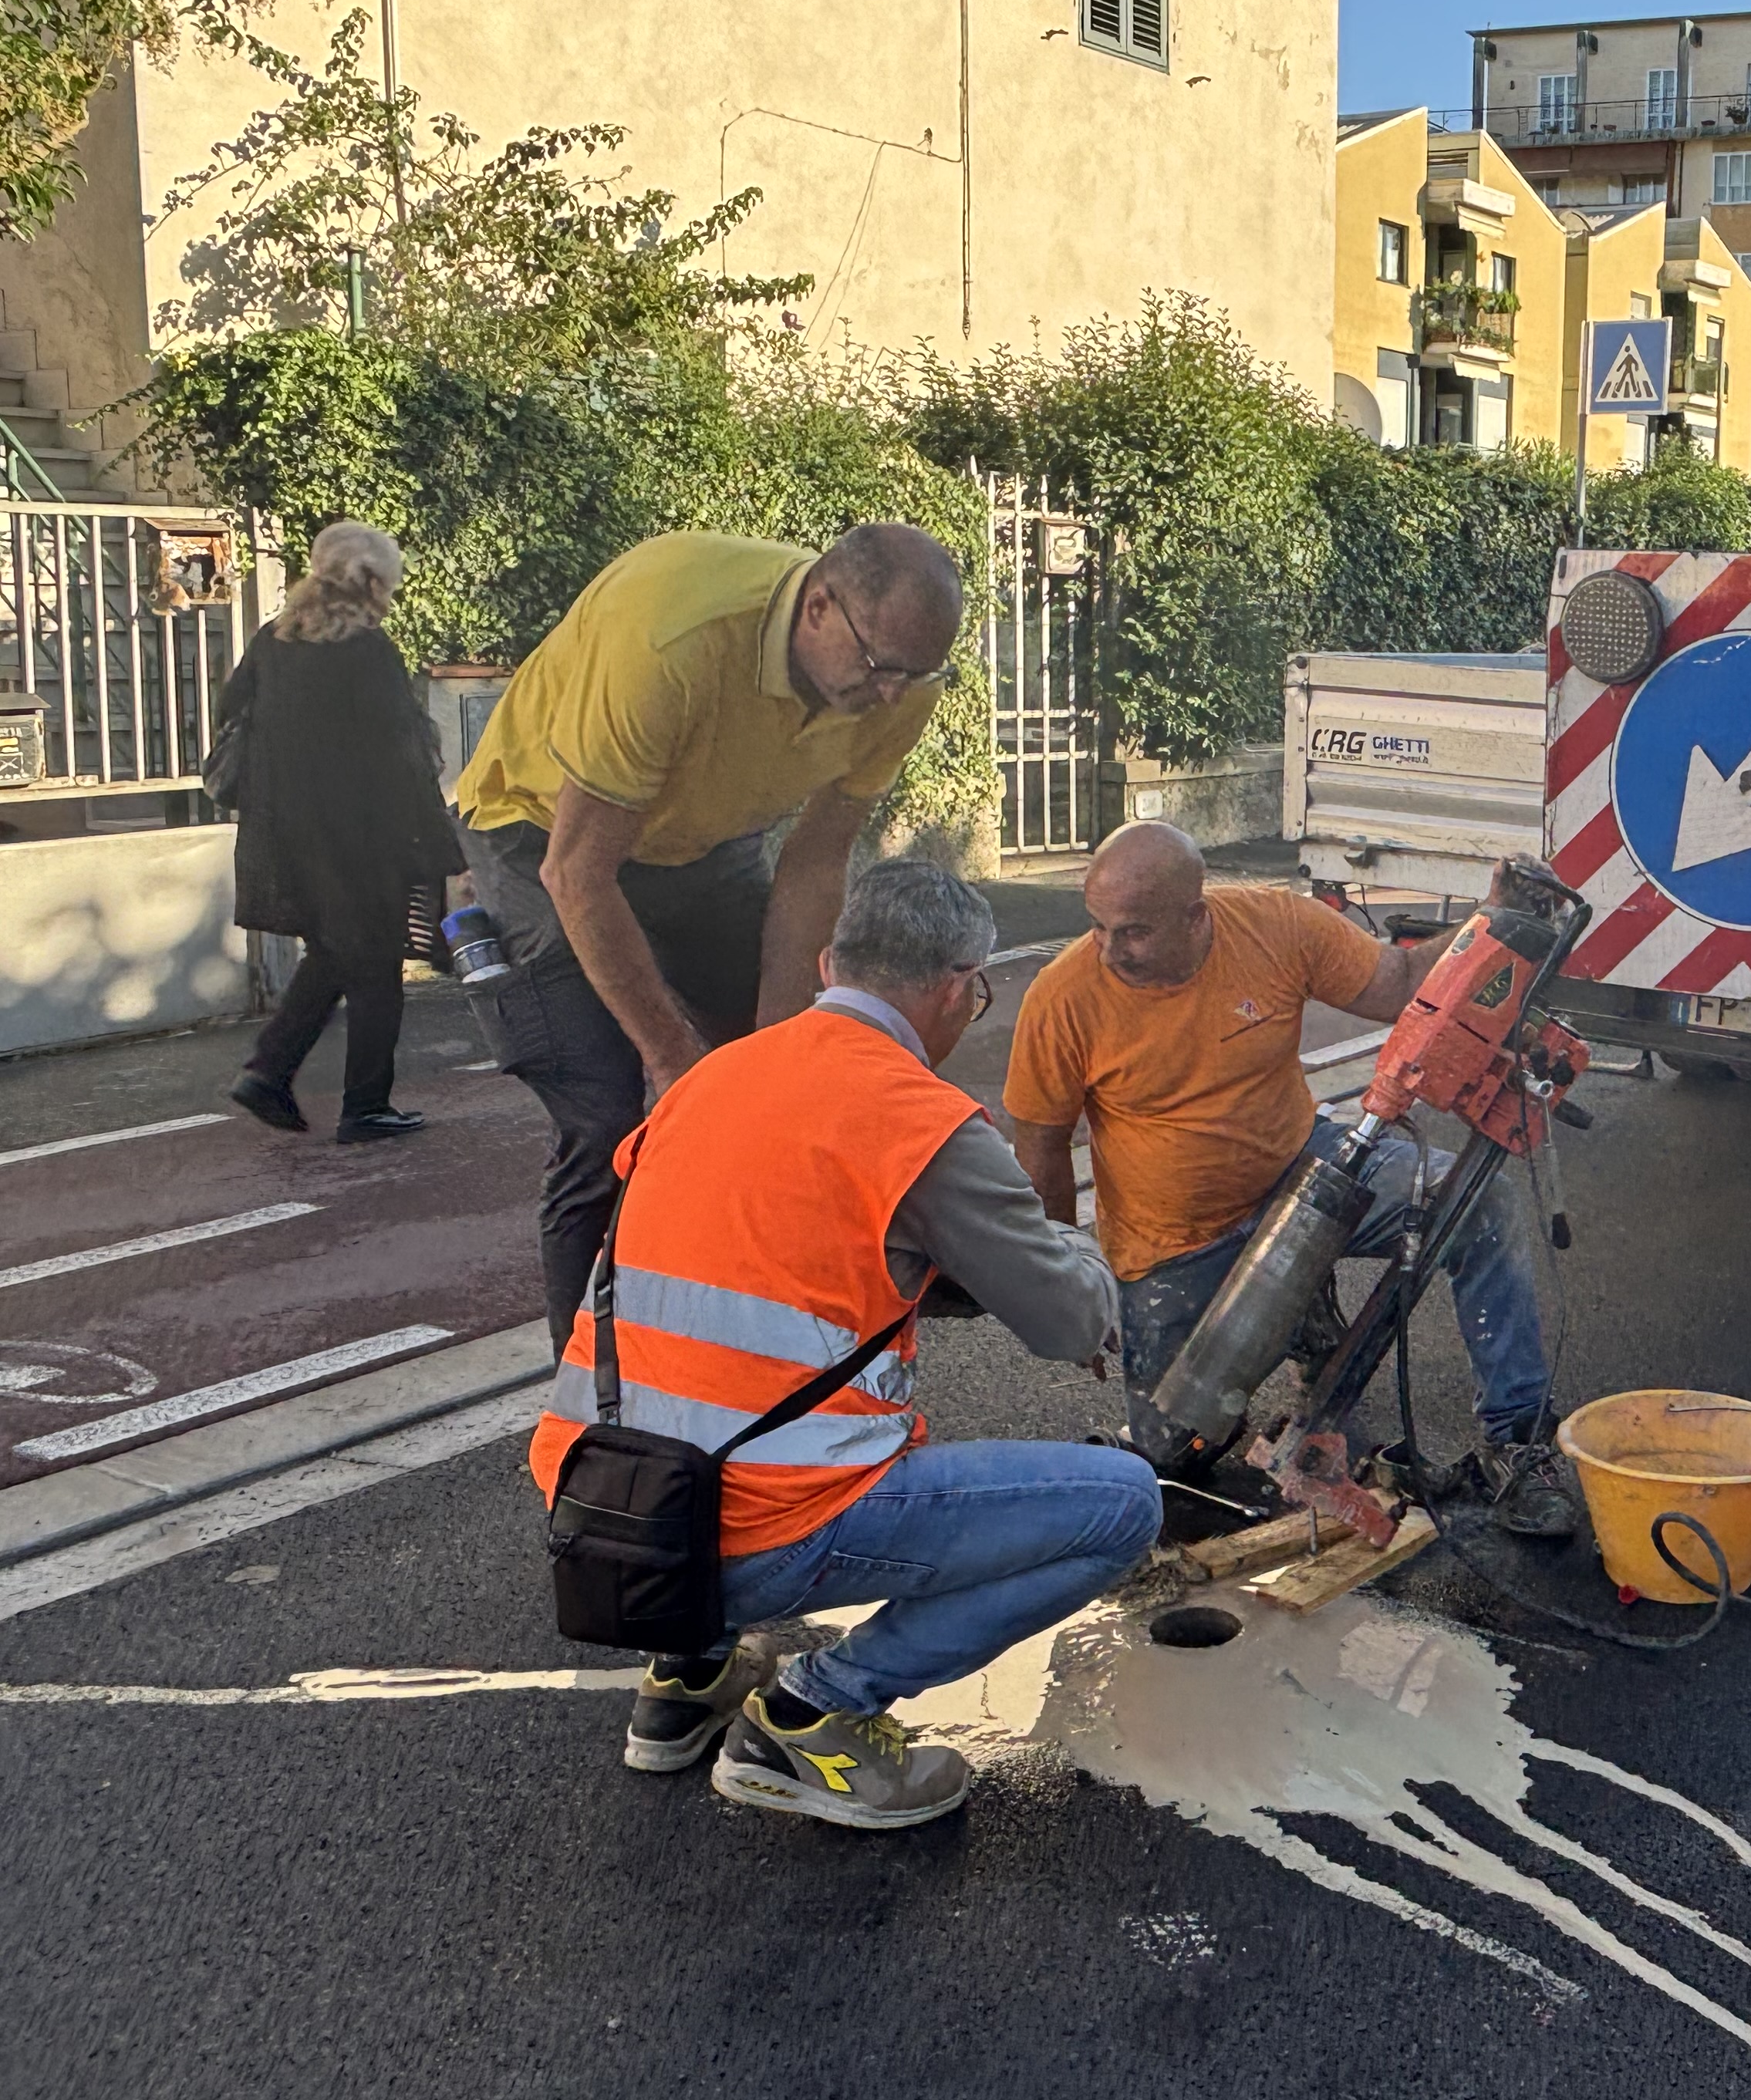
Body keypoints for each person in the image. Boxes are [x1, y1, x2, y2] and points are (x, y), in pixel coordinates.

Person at [531, 858, 1146, 1832]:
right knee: (1122, 1507)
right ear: (959, 988)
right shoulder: (921, 1122)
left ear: (828, 964)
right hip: (761, 1532)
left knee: (719, 1406)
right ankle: (815, 1712)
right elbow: (1067, 1322)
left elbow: (762, 1263)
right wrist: (1079, 1262)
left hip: (604, 1507)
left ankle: (687, 1675)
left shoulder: (708, 1080)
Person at [454, 524, 962, 1353]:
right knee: (612, 1115)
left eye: (917, 675)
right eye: (880, 670)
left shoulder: (900, 681)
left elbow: (814, 863)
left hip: (703, 842)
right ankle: (590, 1406)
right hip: (540, 832)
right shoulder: (672, 640)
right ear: (820, 606)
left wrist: (776, 1058)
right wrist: (671, 1056)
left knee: (794, 1080)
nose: (893, 697)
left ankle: (760, 1332)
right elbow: (579, 874)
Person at [1002, 823, 1581, 1538]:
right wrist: (1071, 1284)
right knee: (1175, 1457)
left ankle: (1518, 1439)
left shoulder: (1273, 925)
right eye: (1099, 928)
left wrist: (1494, 921)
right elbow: (1044, 1148)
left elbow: (1400, 984)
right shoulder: (1064, 997)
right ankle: (1304, 1320)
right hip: (1174, 1239)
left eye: (1133, 932)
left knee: (1478, 1205)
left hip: (1303, 1166)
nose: (1109, 949)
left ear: (1196, 913)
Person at [218, 522, 465, 1144]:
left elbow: (232, 714)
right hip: (361, 834)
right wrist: (436, 840)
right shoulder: (366, 648)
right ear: (375, 582)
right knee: (377, 964)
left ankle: (268, 1071)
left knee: (334, 951)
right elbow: (398, 751)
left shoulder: (271, 641)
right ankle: (365, 1106)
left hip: (286, 834)